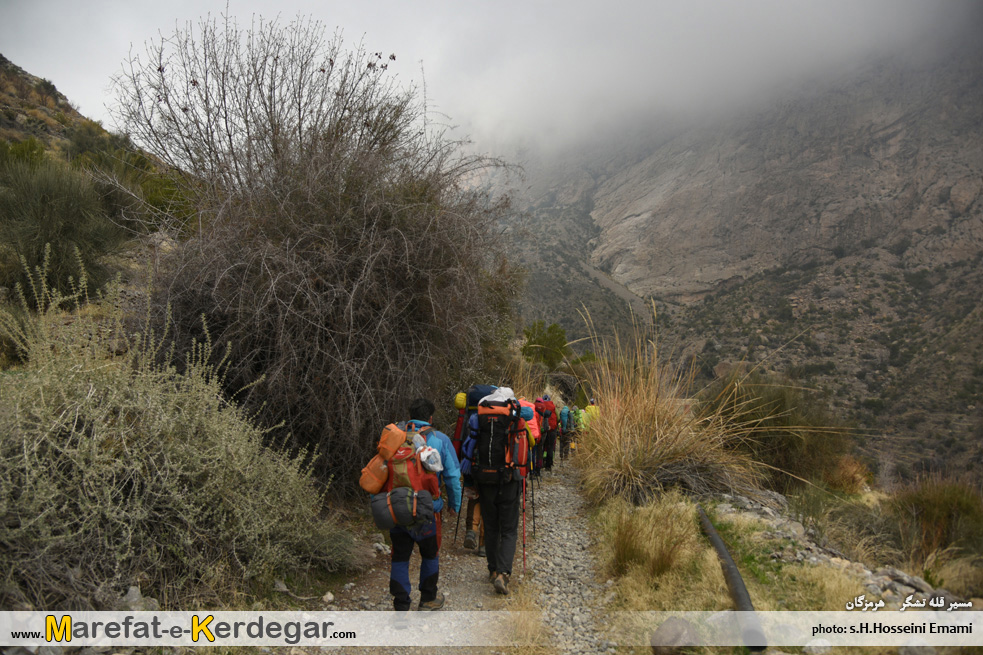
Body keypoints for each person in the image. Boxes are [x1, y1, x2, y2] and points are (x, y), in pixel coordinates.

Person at [387, 398, 462, 611]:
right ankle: (428, 599)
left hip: (398, 509)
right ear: (430, 417)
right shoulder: (439, 439)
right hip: (428, 510)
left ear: (410, 414)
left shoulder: (395, 437)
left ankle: (401, 606)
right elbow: (452, 477)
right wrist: (454, 505)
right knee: (430, 553)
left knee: (400, 556)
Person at [461, 388, 526, 596]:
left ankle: (492, 569)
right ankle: (503, 573)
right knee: (508, 529)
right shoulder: (514, 417)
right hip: (508, 480)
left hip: (485, 478)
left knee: (490, 527)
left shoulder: (480, 415)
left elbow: (469, 446)